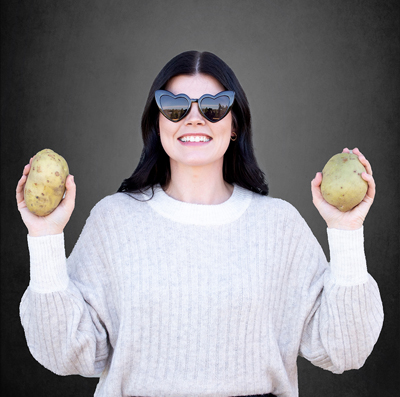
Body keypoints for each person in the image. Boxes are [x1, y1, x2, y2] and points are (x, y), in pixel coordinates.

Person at [16, 51, 383, 397]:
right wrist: (45, 236)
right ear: (157, 123)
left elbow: (345, 350)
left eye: (214, 107)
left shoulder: (278, 225)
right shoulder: (114, 221)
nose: (194, 118)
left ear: (235, 123)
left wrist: (346, 231)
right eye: (174, 107)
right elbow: (64, 353)